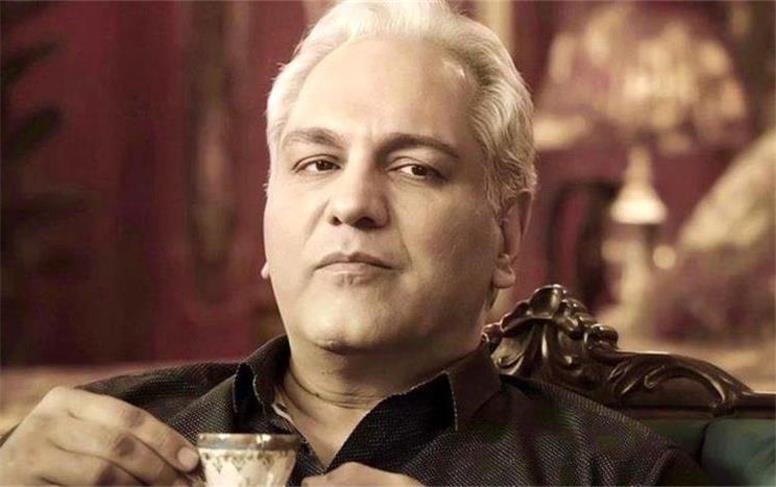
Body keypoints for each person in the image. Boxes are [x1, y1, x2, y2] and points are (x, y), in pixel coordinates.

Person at [0, 1, 706, 484]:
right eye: (317, 163)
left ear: (505, 233)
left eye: (416, 168)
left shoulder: (618, 472)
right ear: (270, 214)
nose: (353, 205)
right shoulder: (97, 441)